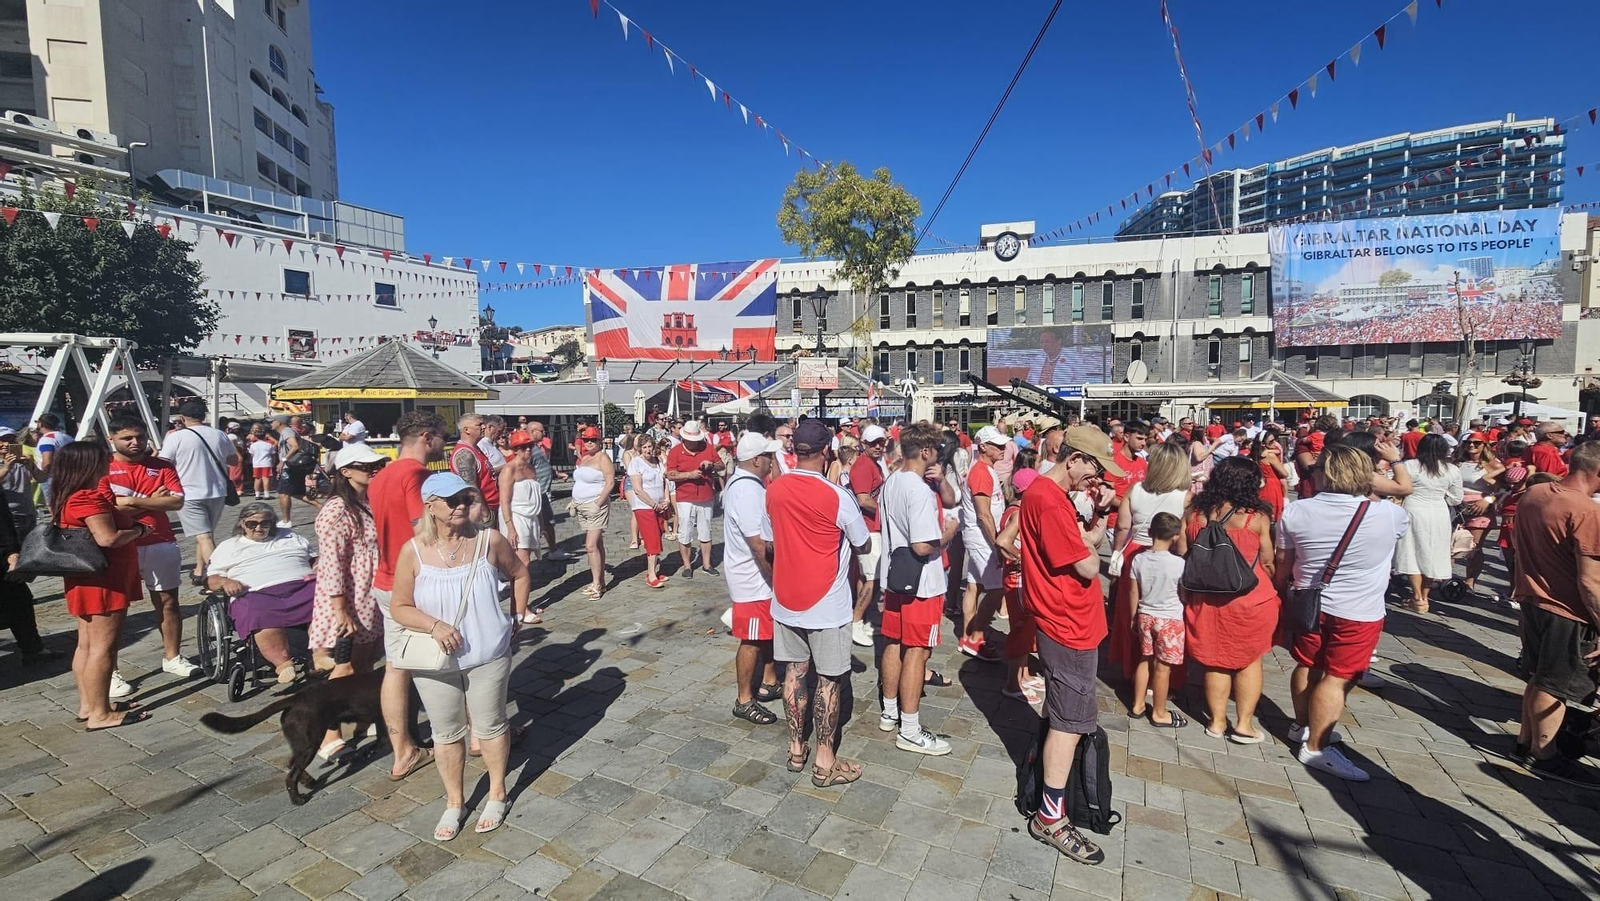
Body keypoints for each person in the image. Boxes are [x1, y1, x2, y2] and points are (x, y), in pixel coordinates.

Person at [390, 472, 530, 839]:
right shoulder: (413, 551)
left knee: (491, 725)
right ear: (430, 506)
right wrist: (434, 625)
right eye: (452, 501)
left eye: (466, 499)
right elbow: (400, 607)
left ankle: (497, 793)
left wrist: (516, 616)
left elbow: (519, 573)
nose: (461, 506)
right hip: (434, 661)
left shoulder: (488, 540)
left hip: (488, 653)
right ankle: (455, 802)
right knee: (446, 732)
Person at [1277, 445, 1409, 782]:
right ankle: (1316, 747)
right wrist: (1395, 462)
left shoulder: (1296, 510)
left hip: (1309, 602)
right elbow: (1404, 490)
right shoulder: (1389, 515)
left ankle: (1302, 725)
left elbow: (1284, 563)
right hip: (1358, 609)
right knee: (1337, 677)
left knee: (1308, 664)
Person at [1020, 424, 1120, 866]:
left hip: (1069, 620)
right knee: (1070, 723)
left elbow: (1086, 545)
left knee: (1063, 712)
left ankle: (1044, 791)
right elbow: (1088, 566)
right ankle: (1050, 817)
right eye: (1094, 467)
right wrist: (1089, 544)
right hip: (1067, 623)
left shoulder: (1053, 495)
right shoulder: (1049, 499)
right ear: (1073, 458)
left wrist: (1096, 520)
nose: (1097, 477)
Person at [767, 419, 868, 788]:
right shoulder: (836, 495)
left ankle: (796, 749)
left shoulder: (775, 489)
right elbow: (863, 542)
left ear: (794, 449)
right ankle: (825, 761)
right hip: (827, 600)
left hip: (786, 597)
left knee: (794, 672)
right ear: (827, 451)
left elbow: (770, 540)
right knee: (828, 679)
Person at [1508, 440, 1600, 787]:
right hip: (1568, 610)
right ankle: (1545, 755)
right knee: (1555, 684)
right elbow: (1590, 582)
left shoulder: (1535, 493)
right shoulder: (1587, 511)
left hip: (1533, 599)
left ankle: (1525, 742)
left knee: (1538, 677)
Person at [368, 411, 446, 781]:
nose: (445, 444)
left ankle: (403, 751)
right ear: (427, 437)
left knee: (396, 667)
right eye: (442, 437)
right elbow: (424, 530)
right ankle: (477, 735)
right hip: (418, 583)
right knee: (454, 658)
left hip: (387, 580)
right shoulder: (416, 475)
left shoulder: (381, 475)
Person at [53, 441, 151, 730]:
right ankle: (100, 714)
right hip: (104, 580)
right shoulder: (87, 498)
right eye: (102, 458)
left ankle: (90, 705)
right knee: (103, 648)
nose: (108, 461)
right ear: (89, 464)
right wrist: (139, 530)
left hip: (86, 579)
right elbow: (107, 538)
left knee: (86, 645)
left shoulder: (69, 495)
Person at [877, 422, 961, 756]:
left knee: (893, 642)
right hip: (922, 583)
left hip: (895, 576)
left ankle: (889, 710)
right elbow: (923, 546)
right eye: (936, 449)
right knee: (917, 651)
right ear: (925, 451)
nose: (938, 454)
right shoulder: (919, 490)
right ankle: (910, 730)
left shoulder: (892, 480)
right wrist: (949, 534)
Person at [1182, 456, 1279, 744]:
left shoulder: (1195, 513)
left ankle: (1216, 721)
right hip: (1250, 599)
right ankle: (1244, 725)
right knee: (1250, 660)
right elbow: (1268, 561)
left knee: (1215, 661)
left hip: (1206, 599)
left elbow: (1184, 551)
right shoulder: (1255, 518)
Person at [310, 443, 389, 760]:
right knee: (344, 668)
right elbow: (332, 563)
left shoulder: (366, 501)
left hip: (368, 593)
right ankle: (327, 734)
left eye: (377, 465)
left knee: (365, 663)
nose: (374, 470)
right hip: (347, 597)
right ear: (345, 471)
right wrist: (340, 609)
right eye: (366, 466)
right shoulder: (337, 510)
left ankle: (361, 716)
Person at [104, 414, 198, 678]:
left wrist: (131, 501)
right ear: (111, 439)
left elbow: (176, 501)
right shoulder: (103, 467)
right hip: (120, 544)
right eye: (127, 438)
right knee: (115, 611)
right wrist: (151, 500)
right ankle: (111, 671)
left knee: (168, 602)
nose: (135, 442)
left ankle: (173, 657)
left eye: (140, 437)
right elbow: (108, 508)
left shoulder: (162, 465)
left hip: (160, 541)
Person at [205, 502, 317, 683]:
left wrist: (319, 565)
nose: (259, 528)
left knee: (324, 597)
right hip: (257, 592)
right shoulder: (229, 546)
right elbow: (211, 579)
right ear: (242, 524)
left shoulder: (290, 536)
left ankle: (320, 654)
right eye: (252, 524)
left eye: (265, 523)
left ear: (272, 523)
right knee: (257, 609)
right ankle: (283, 664)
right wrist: (225, 582)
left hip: (301, 585)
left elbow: (313, 558)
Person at [1108, 442, 1190, 681]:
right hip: (1170, 555)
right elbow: (1184, 538)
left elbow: (1122, 527)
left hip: (1135, 553)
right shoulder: (1186, 498)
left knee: (1134, 613)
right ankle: (1165, 675)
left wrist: (1117, 554)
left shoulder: (1134, 489)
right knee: (1168, 614)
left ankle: (1134, 670)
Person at [724, 431, 782, 725]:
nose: (773, 461)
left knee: (764, 632)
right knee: (751, 639)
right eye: (769, 456)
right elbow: (758, 546)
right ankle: (744, 700)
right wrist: (775, 579)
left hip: (754, 575)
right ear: (757, 460)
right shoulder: (748, 491)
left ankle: (769, 680)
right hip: (752, 577)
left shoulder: (746, 484)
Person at [160, 400, 239, 585]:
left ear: (182, 418)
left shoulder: (176, 437)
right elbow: (234, 460)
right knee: (205, 534)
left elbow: (164, 463)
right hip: (217, 491)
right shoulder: (219, 434)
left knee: (203, 536)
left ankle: (217, 577)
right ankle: (199, 570)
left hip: (188, 492)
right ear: (204, 416)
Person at [1128, 512, 1187, 727]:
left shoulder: (1138, 559)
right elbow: (1183, 593)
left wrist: (1133, 616)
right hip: (1169, 619)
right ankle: (1159, 712)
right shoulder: (1178, 564)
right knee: (1163, 667)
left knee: (1144, 659)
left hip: (1145, 615)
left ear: (1150, 532)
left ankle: (1137, 705)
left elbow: (1133, 592)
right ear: (1175, 536)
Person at [1393, 433, 1463, 614]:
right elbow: (1456, 498)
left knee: (1411, 552)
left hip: (1414, 509)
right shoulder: (1451, 469)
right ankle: (1424, 596)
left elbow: (1398, 486)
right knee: (1433, 553)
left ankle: (1417, 597)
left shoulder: (1410, 465)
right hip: (1438, 512)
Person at [958, 426, 1010, 660]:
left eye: (1003, 445)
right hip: (982, 538)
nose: (1003, 448)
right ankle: (975, 638)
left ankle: (968, 636)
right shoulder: (980, 472)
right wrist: (998, 543)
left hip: (979, 536)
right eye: (997, 445)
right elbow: (983, 514)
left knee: (974, 586)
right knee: (997, 589)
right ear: (983, 447)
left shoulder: (985, 470)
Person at [995, 468, 1042, 702]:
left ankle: (1023, 675)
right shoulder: (1019, 512)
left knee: (1026, 628)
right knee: (1021, 630)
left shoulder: (1014, 509)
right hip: (1018, 580)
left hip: (1018, 578)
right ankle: (1012, 683)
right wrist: (1023, 558)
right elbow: (1002, 542)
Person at [849, 424, 889, 647]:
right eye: (873, 443)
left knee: (866, 577)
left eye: (881, 442)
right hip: (868, 528)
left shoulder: (874, 464)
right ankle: (855, 621)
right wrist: (887, 513)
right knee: (872, 578)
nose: (878, 446)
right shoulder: (864, 466)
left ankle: (861, 619)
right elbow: (863, 499)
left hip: (872, 527)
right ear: (863, 444)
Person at [665, 420, 720, 579]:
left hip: (705, 495)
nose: (693, 443)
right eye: (690, 440)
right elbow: (670, 474)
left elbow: (721, 465)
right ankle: (687, 566)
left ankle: (707, 564)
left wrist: (711, 465)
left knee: (706, 531)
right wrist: (689, 475)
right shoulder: (675, 452)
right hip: (685, 497)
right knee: (685, 531)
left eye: (695, 440)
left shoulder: (708, 448)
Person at [1456, 433, 1505, 597]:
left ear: (1484, 445)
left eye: (1477, 443)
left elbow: (1504, 489)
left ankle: (1470, 582)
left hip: (1480, 508)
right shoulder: (1457, 462)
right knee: (1450, 544)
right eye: (1468, 442)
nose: (1471, 446)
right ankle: (1443, 579)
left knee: (1474, 547)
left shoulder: (1493, 464)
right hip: (1457, 506)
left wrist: (1488, 500)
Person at [499, 431, 543, 604]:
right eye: (523, 447)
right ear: (515, 449)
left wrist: (541, 522)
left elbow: (537, 496)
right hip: (516, 516)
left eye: (530, 446)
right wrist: (510, 527)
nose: (528, 450)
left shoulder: (531, 468)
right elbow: (504, 501)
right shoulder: (509, 469)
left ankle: (521, 604)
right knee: (522, 562)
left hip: (531, 517)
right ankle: (519, 607)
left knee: (526, 561)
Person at [571, 425, 613, 598]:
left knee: (590, 546)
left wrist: (598, 503)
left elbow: (610, 483)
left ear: (599, 441)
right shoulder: (585, 458)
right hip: (582, 506)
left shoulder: (602, 457)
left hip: (595, 505)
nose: (589, 443)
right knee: (597, 545)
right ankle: (600, 582)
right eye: (586, 440)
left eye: (592, 440)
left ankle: (596, 584)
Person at [628, 434, 671, 589]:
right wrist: (653, 504)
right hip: (644, 506)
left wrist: (666, 500)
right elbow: (638, 489)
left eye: (650, 446)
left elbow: (664, 482)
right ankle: (651, 575)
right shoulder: (636, 463)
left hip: (659, 505)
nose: (647, 450)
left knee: (658, 535)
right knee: (652, 539)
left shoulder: (657, 462)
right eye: (644, 447)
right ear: (640, 448)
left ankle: (653, 571)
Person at [525, 422, 569, 562]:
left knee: (548, 522)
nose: (544, 433)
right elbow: (524, 468)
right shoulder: (527, 449)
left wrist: (556, 474)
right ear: (532, 432)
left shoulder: (536, 447)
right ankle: (532, 554)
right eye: (541, 431)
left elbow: (542, 465)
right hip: (535, 493)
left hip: (542, 491)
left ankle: (552, 549)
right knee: (542, 523)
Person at [449, 414, 500, 526]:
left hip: (493, 507)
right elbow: (470, 487)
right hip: (481, 512)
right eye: (479, 424)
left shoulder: (475, 448)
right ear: (466, 430)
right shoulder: (465, 453)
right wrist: (485, 514)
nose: (484, 427)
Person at [34, 412, 72, 510]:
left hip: (51, 478)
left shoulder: (47, 439)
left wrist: (43, 475)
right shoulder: (68, 438)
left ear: (40, 424)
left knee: (53, 505)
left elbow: (47, 461)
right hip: (70, 476)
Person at [248, 426, 276, 499]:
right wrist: (273, 462)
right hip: (266, 463)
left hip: (256, 464)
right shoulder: (269, 445)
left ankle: (257, 494)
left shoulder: (253, 445)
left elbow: (252, 454)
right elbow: (273, 454)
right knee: (266, 478)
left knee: (257, 479)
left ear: (256, 437)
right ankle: (266, 494)